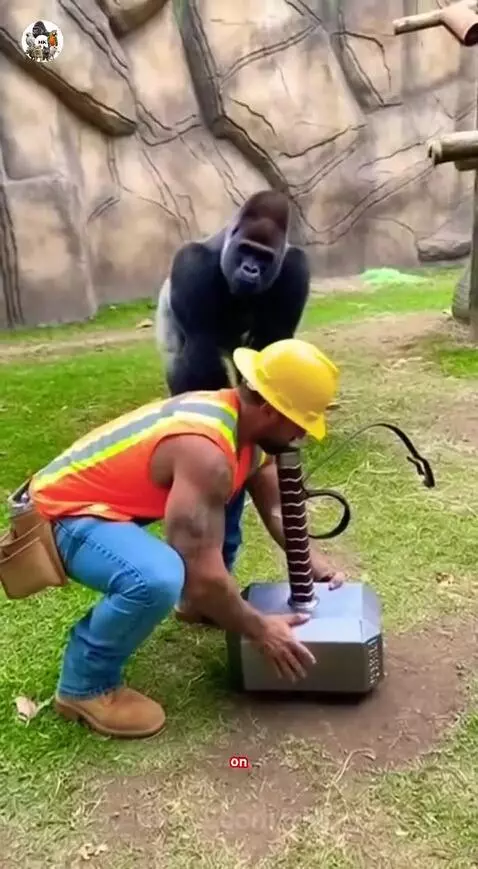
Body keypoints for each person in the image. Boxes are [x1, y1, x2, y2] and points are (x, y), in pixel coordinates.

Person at [26, 339, 344, 739]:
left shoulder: (246, 432)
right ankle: (85, 686)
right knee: (158, 576)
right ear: (269, 407)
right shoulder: (205, 448)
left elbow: (279, 509)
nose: (303, 434)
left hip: (100, 504)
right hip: (58, 514)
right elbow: (200, 572)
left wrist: (308, 558)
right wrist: (261, 630)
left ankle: (200, 609)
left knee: (212, 518)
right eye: (300, 421)